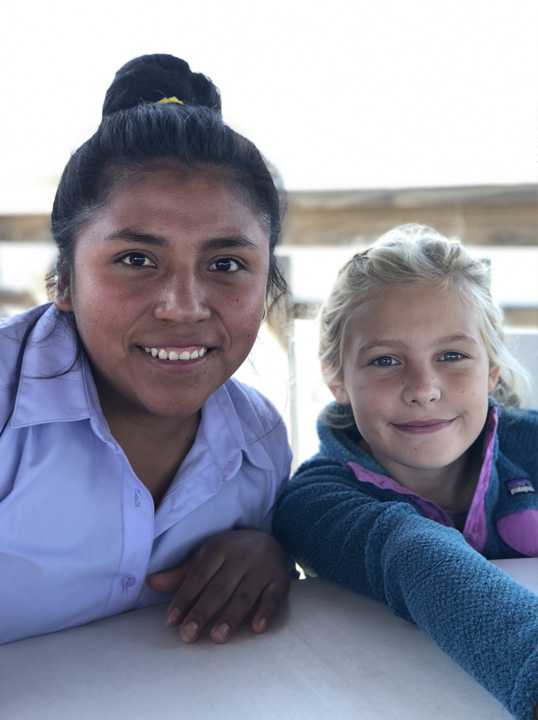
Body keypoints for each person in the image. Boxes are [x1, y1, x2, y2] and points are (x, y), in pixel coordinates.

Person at [0, 53, 292, 646]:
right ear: (65, 279)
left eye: (226, 264)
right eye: (136, 259)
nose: (183, 307)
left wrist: (270, 553)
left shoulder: (259, 445)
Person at [274, 224, 538, 720]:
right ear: (337, 379)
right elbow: (412, 554)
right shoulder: (313, 502)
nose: (423, 388)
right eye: (386, 360)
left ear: (491, 370)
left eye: (452, 356)